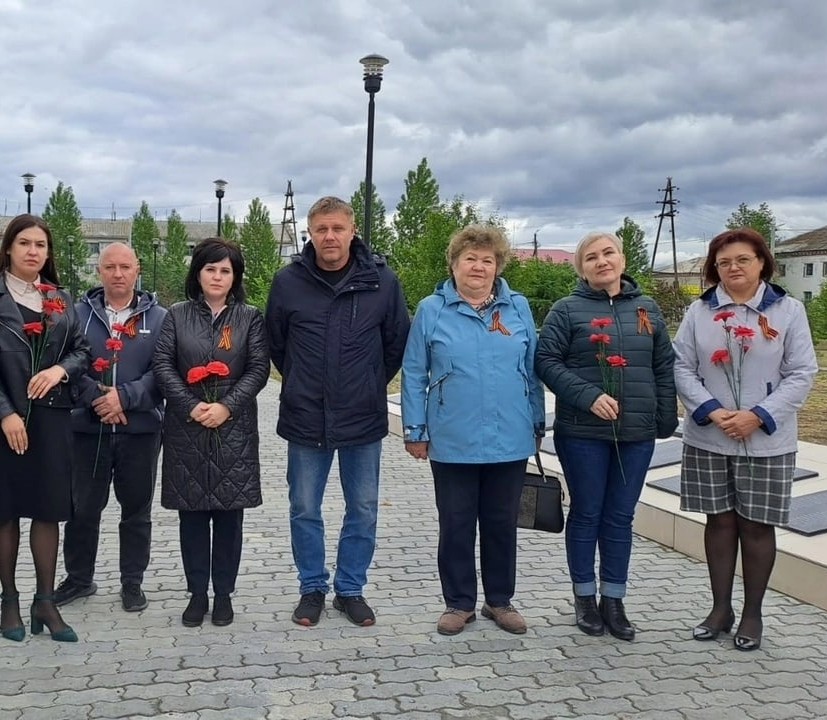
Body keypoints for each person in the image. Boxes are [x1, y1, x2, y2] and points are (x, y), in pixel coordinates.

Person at [265, 196, 411, 627]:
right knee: (304, 508)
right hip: (305, 415)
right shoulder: (288, 282)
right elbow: (277, 344)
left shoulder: (381, 281)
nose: (330, 236)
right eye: (321, 229)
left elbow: (396, 343)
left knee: (363, 508)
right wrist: (302, 382)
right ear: (310, 232)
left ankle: (350, 589)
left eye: (338, 228)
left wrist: (367, 383)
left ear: (352, 231)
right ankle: (312, 587)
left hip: (362, 417)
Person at [673, 227, 816, 651]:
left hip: (766, 439)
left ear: (762, 263)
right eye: (724, 262)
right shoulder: (699, 311)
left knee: (755, 525)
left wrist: (758, 415)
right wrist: (712, 410)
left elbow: (802, 372)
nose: (733, 268)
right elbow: (681, 367)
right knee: (718, 522)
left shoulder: (788, 310)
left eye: (742, 260)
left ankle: (753, 613)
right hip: (710, 435)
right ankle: (720, 608)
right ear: (714, 268)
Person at [535, 230, 678, 641]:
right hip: (583, 432)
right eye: (591, 257)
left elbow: (663, 366)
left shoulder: (647, 308)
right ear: (582, 269)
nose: (602, 261)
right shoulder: (567, 310)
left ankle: (614, 599)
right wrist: (588, 396)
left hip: (635, 434)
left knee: (620, 517)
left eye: (608, 253)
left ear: (622, 260)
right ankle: (584, 597)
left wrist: (664, 418)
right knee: (587, 513)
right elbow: (546, 360)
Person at [400, 226, 544, 636]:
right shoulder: (431, 309)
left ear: (497, 266)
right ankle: (458, 602)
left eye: (487, 260)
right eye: (470, 259)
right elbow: (414, 372)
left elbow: (532, 368)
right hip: (452, 437)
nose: (478, 267)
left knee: (502, 522)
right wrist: (415, 429)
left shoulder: (517, 307)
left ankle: (499, 601)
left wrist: (537, 421)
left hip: (510, 435)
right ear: (454, 264)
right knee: (456, 523)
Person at [0, 214, 90, 643]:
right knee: (8, 509)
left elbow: (82, 350)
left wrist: (58, 370)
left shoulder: (59, 298)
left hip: (52, 418)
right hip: (6, 421)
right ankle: (9, 601)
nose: (34, 251)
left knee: (49, 509)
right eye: (25, 243)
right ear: (9, 248)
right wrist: (4, 413)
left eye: (41, 245)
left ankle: (45, 601)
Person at [153, 238, 269, 627]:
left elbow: (258, 368)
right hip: (187, 427)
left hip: (233, 428)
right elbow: (162, 365)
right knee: (192, 516)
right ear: (198, 273)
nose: (217, 277)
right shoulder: (176, 315)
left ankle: (223, 594)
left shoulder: (249, 317)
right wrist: (190, 405)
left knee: (229, 518)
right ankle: (197, 593)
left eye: (225, 270)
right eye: (210, 269)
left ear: (235, 277)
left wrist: (226, 406)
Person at [53, 242, 167, 612]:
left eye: (125, 267)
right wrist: (98, 399)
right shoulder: (76, 315)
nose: (118, 274)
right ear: (98, 271)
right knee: (82, 509)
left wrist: (125, 398)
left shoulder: (160, 318)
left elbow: (164, 371)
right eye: (110, 267)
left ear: (137, 270)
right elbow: (66, 363)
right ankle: (79, 579)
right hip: (87, 429)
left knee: (136, 511)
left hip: (141, 431)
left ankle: (132, 582)